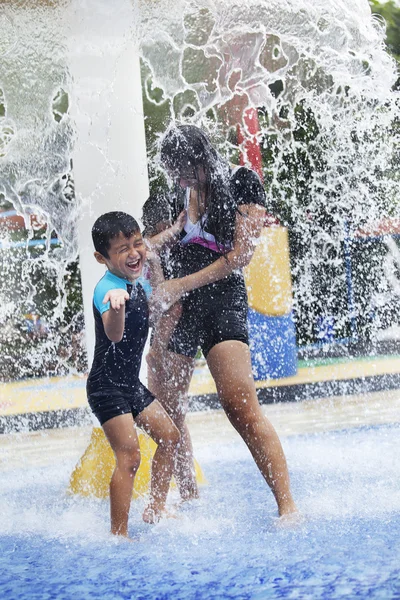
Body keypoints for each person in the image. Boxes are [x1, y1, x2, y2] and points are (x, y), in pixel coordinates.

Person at [149, 124, 298, 519]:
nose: (177, 179)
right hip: (177, 308)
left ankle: (287, 507)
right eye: (171, 171)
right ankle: (187, 495)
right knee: (169, 408)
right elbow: (147, 252)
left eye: (181, 169)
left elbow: (239, 257)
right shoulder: (169, 195)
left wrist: (178, 285)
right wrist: (164, 293)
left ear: (199, 159)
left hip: (220, 300)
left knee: (239, 405)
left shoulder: (242, 183)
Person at [86, 211, 181, 538]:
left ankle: (155, 507)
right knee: (129, 457)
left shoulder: (134, 272)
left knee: (170, 438)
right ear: (102, 258)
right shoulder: (108, 290)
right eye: (122, 248)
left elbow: (149, 246)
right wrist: (115, 307)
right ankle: (118, 534)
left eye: (136, 243)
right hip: (105, 387)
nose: (134, 252)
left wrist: (176, 229)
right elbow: (113, 335)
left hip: (129, 383)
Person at [142, 193, 199, 502]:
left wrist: (156, 350)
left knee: (171, 420)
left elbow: (172, 307)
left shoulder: (171, 253)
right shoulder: (167, 248)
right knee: (174, 417)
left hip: (173, 339)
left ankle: (180, 494)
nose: (149, 239)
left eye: (154, 230)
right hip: (168, 338)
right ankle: (188, 489)